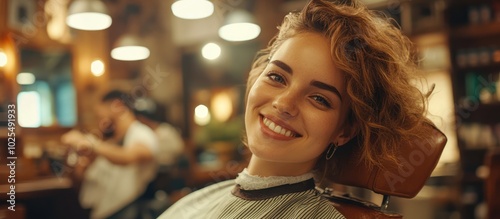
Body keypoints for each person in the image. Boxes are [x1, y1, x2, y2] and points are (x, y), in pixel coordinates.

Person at [159, 0, 436, 218]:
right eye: (277, 77)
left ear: (344, 130)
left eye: (319, 99)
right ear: (256, 76)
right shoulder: (202, 198)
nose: (284, 103)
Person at [61, 90, 159, 219]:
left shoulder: (142, 134)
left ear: (118, 106)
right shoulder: (110, 141)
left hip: (128, 211)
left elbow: (128, 157)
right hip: (102, 211)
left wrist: (91, 143)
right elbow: (81, 175)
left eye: (100, 114)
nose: (99, 119)